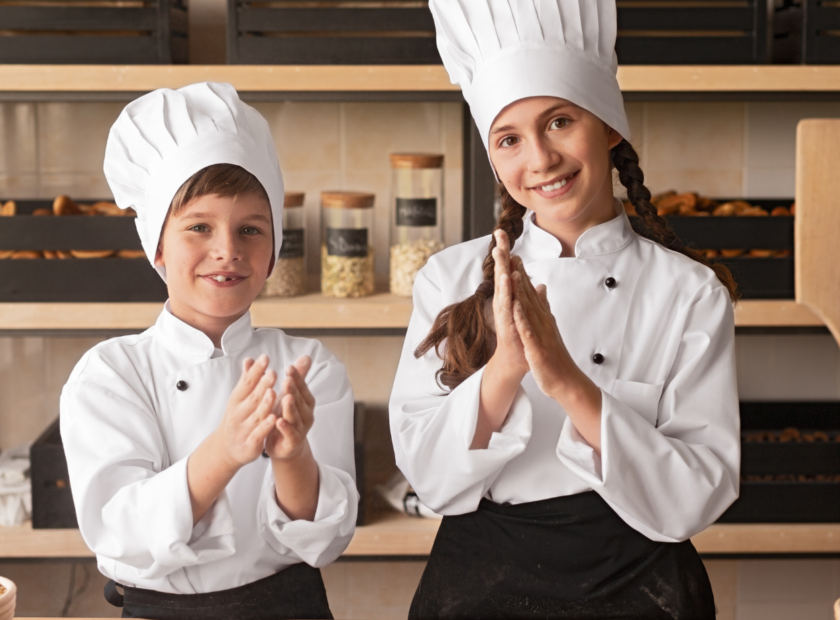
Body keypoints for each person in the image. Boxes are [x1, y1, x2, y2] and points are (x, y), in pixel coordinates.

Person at [389, 1, 740, 618]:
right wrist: (505, 370)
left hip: (641, 586)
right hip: (480, 583)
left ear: (607, 125)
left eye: (558, 121)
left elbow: (697, 498)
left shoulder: (691, 292)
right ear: (494, 157)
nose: (541, 159)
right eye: (510, 138)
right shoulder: (447, 278)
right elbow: (431, 479)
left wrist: (570, 384)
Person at [60, 82, 357, 619]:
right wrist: (224, 450)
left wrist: (291, 457)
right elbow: (118, 531)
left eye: (251, 229)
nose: (228, 251)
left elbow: (326, 540)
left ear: (273, 251)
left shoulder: (310, 368)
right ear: (156, 246)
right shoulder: (111, 374)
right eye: (199, 227)